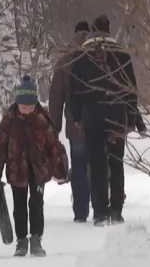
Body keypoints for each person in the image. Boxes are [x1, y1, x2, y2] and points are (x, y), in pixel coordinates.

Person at [69, 15, 143, 226]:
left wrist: (77, 116)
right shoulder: (123, 56)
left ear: (93, 32)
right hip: (117, 117)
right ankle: (117, 210)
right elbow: (132, 91)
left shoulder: (82, 58)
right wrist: (132, 115)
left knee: (98, 163)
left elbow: (76, 89)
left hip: (92, 117)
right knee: (116, 163)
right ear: (109, 31)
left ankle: (100, 212)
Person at [0, 75, 68, 257]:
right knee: (19, 207)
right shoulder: (9, 120)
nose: (27, 110)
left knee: (36, 204)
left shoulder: (43, 119)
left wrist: (60, 170)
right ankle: (21, 241)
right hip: (17, 171)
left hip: (39, 170)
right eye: (24, 107)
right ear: (17, 103)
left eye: (31, 106)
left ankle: (36, 239)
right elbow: (0, 147)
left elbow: (53, 146)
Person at [49, 21, 91, 223]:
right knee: (99, 163)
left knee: (79, 165)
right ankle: (101, 206)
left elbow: (56, 98)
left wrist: (54, 127)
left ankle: (81, 211)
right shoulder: (98, 58)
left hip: (75, 126)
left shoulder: (64, 62)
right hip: (98, 122)